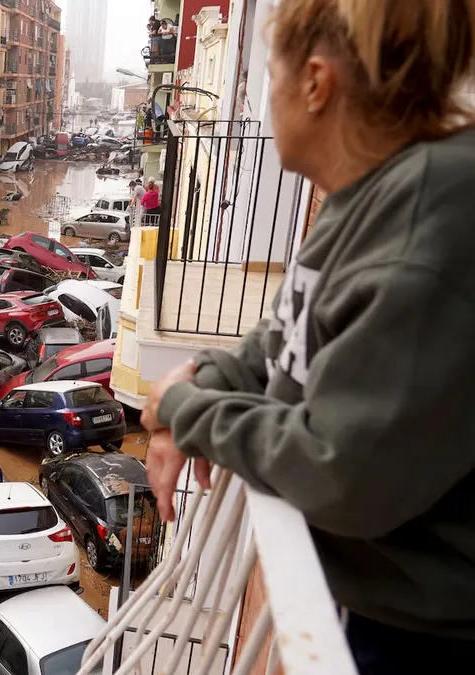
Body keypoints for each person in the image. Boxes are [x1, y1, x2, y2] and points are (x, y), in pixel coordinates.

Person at [138, 0, 475, 673]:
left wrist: (185, 409)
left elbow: (341, 472)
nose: (268, 98)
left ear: (316, 83)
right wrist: (207, 378)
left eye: (272, 75)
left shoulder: (426, 221)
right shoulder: (369, 195)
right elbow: (284, 334)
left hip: (421, 640)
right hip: (379, 611)